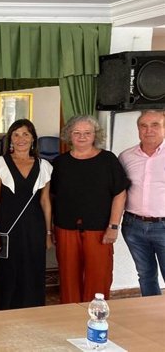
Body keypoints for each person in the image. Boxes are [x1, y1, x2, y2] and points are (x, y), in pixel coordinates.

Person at [51, 115, 127, 303]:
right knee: (68, 277)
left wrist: (114, 226)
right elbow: (52, 197)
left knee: (99, 277)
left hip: (99, 229)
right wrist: (52, 227)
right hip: (66, 228)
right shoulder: (60, 163)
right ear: (69, 135)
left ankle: (96, 320)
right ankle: (70, 318)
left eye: (87, 133)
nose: (82, 137)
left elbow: (120, 193)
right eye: (77, 133)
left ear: (95, 135)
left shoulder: (108, 160)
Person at [0, 119, 53, 310]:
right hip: (6, 227)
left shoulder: (44, 166)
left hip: (34, 228)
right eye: (16, 134)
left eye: (25, 134)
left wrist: (48, 233)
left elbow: (45, 201)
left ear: (33, 138)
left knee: (32, 270)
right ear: (10, 139)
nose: (21, 138)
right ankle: (3, 313)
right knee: (6, 271)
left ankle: (32, 313)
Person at [119, 110, 165, 296]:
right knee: (145, 275)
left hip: (163, 226)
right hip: (133, 226)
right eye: (143, 126)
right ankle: (153, 317)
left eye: (155, 125)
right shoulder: (126, 157)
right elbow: (119, 191)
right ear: (138, 129)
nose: (148, 130)